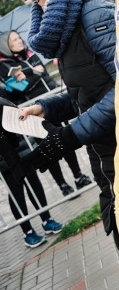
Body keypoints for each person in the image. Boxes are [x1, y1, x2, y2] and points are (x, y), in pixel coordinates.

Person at [8, 0, 119, 254]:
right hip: (111, 156)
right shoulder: (70, 18)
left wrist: (70, 135)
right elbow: (91, 89)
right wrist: (48, 107)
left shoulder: (94, 12)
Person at [0, 30, 94, 196]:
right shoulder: (5, 65)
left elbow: (38, 71)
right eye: (14, 40)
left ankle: (78, 175)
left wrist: (29, 75)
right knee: (47, 149)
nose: (19, 41)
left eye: (19, 38)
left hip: (54, 105)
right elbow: (18, 88)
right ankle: (62, 185)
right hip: (34, 112)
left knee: (64, 140)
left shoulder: (31, 55)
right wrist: (34, 73)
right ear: (6, 46)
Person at [0, 97, 63, 248]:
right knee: (16, 193)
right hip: (4, 159)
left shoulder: (2, 99)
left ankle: (47, 219)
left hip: (22, 150)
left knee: (34, 184)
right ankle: (27, 231)